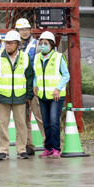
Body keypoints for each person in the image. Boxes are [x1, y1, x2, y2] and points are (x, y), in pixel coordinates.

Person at [0, 30, 34, 160]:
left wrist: (29, 96)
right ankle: (3, 150)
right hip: (2, 97)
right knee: (2, 124)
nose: (7, 46)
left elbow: (30, 78)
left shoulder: (25, 58)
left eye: (10, 43)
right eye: (6, 43)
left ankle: (21, 150)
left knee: (21, 124)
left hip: (20, 97)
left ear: (18, 44)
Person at [34, 31, 70, 159]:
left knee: (54, 121)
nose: (43, 45)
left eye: (46, 43)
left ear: (51, 44)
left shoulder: (59, 57)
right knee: (46, 122)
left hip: (56, 96)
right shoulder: (37, 57)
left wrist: (58, 89)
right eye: (41, 42)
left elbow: (66, 75)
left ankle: (56, 148)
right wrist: (34, 85)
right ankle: (48, 148)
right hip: (43, 95)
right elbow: (36, 74)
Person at [15, 17, 45, 156]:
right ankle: (28, 145)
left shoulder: (36, 44)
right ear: (17, 31)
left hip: (34, 86)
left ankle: (48, 144)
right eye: (22, 30)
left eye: (26, 29)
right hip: (20, 86)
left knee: (39, 116)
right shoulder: (14, 46)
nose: (25, 32)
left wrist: (37, 84)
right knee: (23, 118)